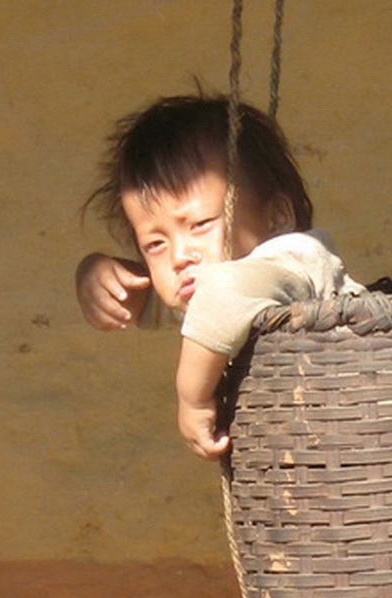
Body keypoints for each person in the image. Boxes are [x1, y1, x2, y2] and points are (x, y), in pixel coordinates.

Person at [76, 95, 363, 460]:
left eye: (200, 225)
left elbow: (224, 295)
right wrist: (102, 279)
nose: (179, 256)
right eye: (155, 244)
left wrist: (192, 398)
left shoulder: (294, 256)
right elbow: (158, 300)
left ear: (277, 218)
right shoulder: (217, 293)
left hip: (371, 424)